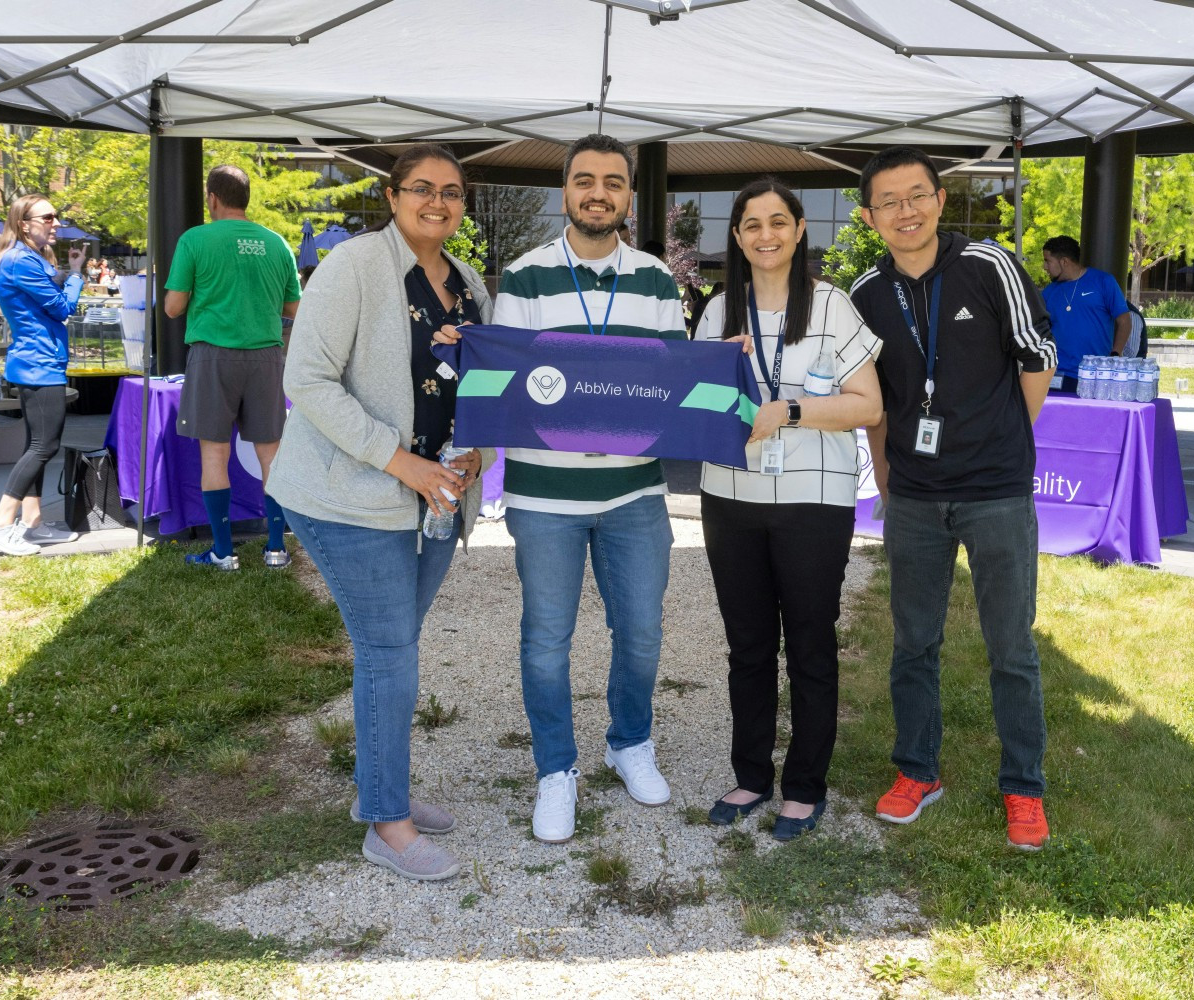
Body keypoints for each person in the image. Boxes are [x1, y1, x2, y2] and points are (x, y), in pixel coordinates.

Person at [441, 134, 686, 845]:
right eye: (585, 181)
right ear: (566, 193)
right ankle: (556, 768)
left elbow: (671, 383)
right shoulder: (523, 278)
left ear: (629, 197)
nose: (598, 193)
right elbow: (507, 386)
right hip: (545, 495)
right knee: (547, 640)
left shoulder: (656, 281)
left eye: (613, 182)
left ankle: (628, 741)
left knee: (640, 632)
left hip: (634, 491)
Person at [267, 142, 493, 883]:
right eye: (422, 188)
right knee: (390, 650)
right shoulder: (356, 267)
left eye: (452, 191)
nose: (439, 202)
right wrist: (402, 462)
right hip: (351, 498)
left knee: (395, 647)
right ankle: (385, 824)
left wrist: (476, 453)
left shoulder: (468, 283)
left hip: (436, 502)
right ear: (393, 197)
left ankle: (382, 786)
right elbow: (308, 379)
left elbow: (484, 383)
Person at [849, 146, 1058, 851]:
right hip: (913, 495)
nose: (905, 211)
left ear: (940, 201)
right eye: (889, 202)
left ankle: (1023, 786)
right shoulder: (866, 294)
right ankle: (918, 771)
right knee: (914, 643)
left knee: (1011, 646)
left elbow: (1037, 359)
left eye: (917, 196)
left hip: (996, 490)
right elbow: (872, 401)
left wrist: (1002, 440)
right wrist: (884, 476)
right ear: (869, 216)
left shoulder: (987, 266)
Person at [698, 179, 882, 841]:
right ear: (738, 236)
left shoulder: (832, 307)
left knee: (808, 644)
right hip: (730, 497)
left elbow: (869, 405)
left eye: (779, 221)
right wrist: (718, 386)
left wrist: (789, 410)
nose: (766, 235)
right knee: (747, 647)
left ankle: (803, 786)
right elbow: (699, 409)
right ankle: (750, 776)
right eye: (752, 224)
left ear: (800, 229)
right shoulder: (719, 310)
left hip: (814, 501)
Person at [164, 165, 301, 571]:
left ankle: (224, 552)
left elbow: (173, 307)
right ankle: (276, 549)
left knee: (214, 455)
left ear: (212, 199)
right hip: (266, 358)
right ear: (246, 199)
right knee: (271, 455)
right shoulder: (277, 243)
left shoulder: (195, 239)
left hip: (213, 355)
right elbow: (296, 308)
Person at [0, 193, 85, 556]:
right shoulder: (21, 261)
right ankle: (0, 523)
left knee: (36, 444)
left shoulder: (20, 259)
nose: (56, 222)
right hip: (40, 364)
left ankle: (32, 522)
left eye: (56, 216)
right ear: (24, 223)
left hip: (36, 361)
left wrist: (64, 272)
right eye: (48, 217)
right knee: (44, 445)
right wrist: (77, 275)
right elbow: (62, 308)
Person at [1041, 235, 1130, 387]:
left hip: (1095, 375)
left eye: (1048, 261)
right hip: (1057, 374)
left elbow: (1125, 321)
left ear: (1064, 262)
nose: (1044, 267)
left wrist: (1115, 354)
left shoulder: (1103, 282)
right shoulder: (1048, 292)